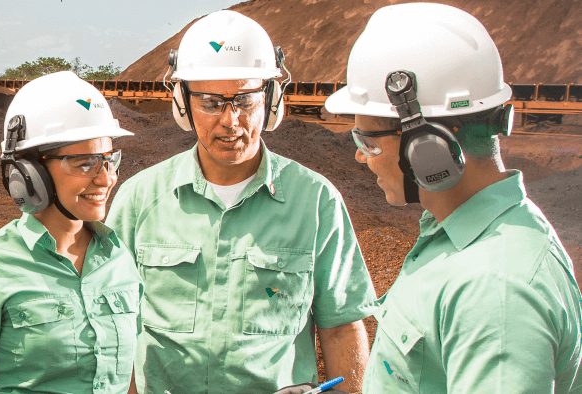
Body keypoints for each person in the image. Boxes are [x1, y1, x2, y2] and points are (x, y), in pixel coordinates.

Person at [105, 10, 375, 393]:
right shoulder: (139, 199)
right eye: (211, 103)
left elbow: (341, 328)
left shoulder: (316, 200)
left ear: (272, 99)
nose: (231, 121)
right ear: (183, 104)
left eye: (245, 100)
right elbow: (115, 326)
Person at [322, 3, 582, 393]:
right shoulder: (464, 239)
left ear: (425, 147)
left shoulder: (495, 290)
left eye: (368, 140)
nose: (360, 155)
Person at [0, 71, 139, 394]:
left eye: (109, 160)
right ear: (29, 173)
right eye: (86, 163)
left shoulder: (120, 260)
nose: (106, 179)